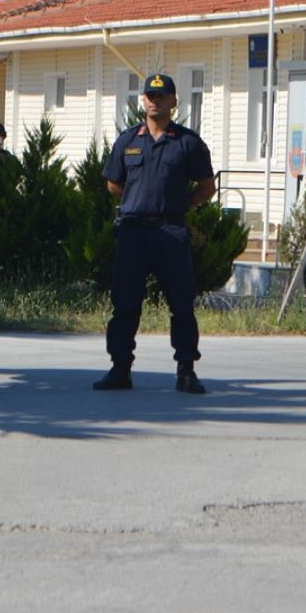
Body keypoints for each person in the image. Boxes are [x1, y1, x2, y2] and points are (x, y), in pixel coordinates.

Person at [94, 73, 217, 394]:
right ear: (143, 99)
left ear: (174, 101)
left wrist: (179, 206)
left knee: (181, 304)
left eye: (162, 96)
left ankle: (186, 371)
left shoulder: (188, 143)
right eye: (150, 95)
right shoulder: (128, 140)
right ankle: (120, 368)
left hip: (171, 230)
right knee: (125, 304)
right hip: (133, 231)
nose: (155, 100)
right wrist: (138, 201)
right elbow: (112, 183)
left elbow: (207, 188)